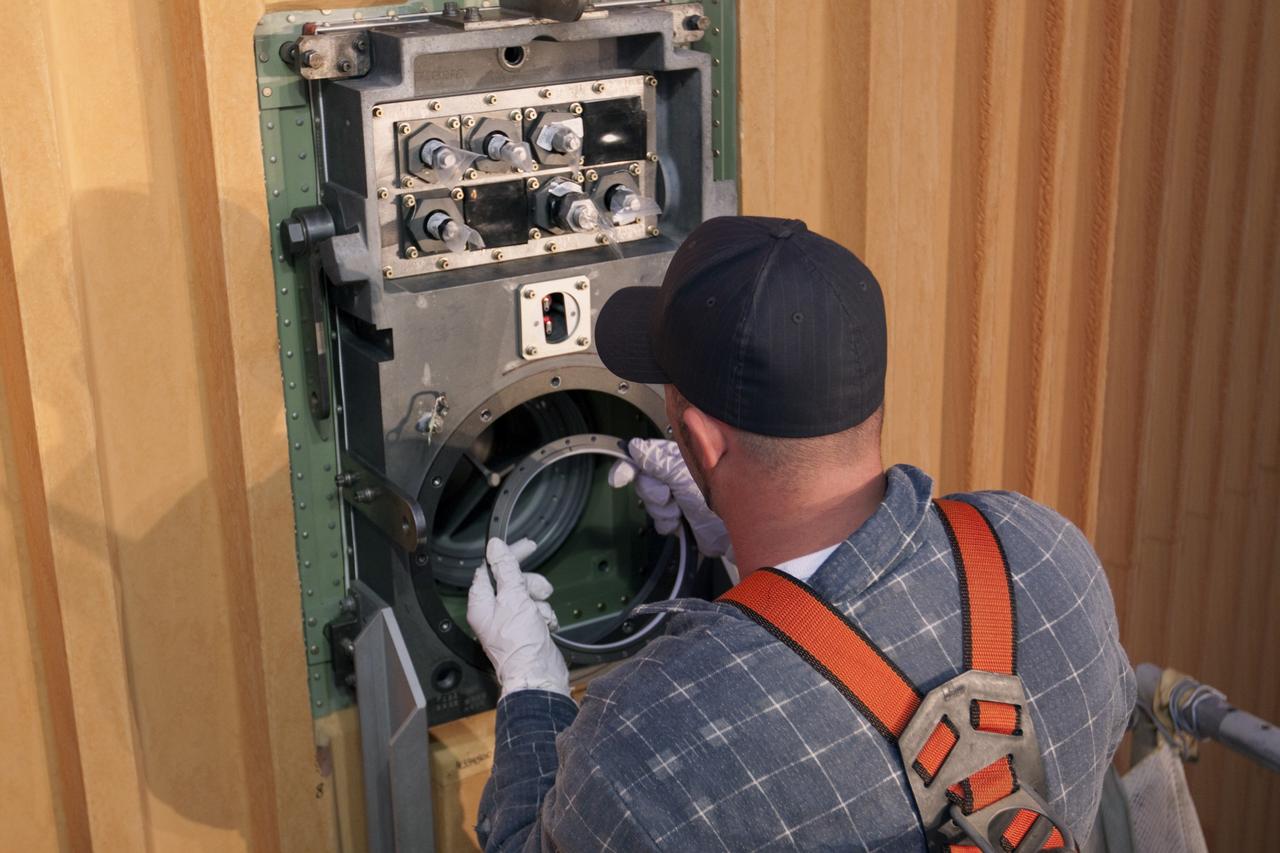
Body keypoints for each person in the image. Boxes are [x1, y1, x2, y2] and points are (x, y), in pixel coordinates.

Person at [466, 216, 1135, 850]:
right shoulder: (1045, 551)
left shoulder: (648, 742)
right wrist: (738, 554)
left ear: (699, 440)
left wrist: (532, 686)